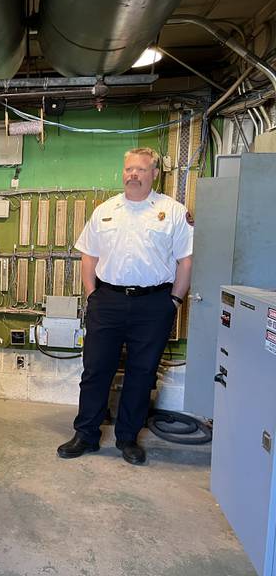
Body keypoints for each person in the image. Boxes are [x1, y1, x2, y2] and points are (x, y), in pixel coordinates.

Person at [57, 147, 194, 465]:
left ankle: (128, 438)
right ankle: (87, 435)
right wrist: (92, 294)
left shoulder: (172, 212)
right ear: (123, 173)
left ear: (154, 174)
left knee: (142, 374)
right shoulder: (105, 211)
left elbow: (185, 261)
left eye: (141, 170)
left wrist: (174, 300)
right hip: (108, 301)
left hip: (154, 304)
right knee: (95, 370)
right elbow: (88, 255)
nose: (133, 174)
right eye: (129, 169)